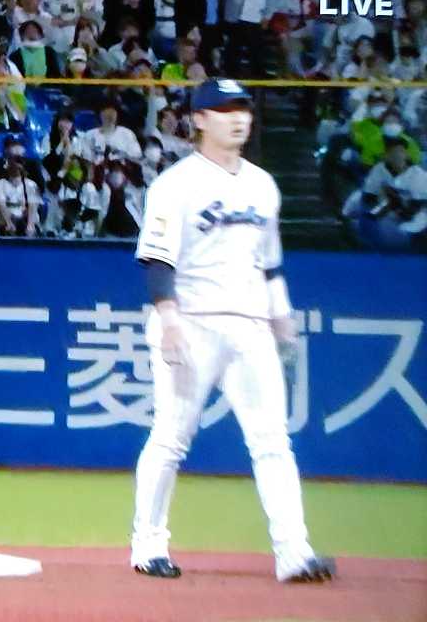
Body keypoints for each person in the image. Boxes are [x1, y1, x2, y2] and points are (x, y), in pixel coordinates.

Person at [131, 77, 335, 583]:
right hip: (191, 323)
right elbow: (157, 260)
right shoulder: (176, 184)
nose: (238, 117)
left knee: (272, 441)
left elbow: (270, 264)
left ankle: (293, 553)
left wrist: (282, 318)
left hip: (250, 326)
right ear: (200, 120)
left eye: (243, 108)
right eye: (225, 110)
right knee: (171, 437)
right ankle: (148, 545)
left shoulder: (263, 185)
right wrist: (168, 318)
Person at [0, 159, 40, 236]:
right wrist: (9, 223)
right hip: (6, 223)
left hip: (25, 222)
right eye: (13, 165)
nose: (16, 168)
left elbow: (33, 205)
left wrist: (30, 225)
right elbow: (1, 205)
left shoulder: (31, 185)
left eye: (18, 166)